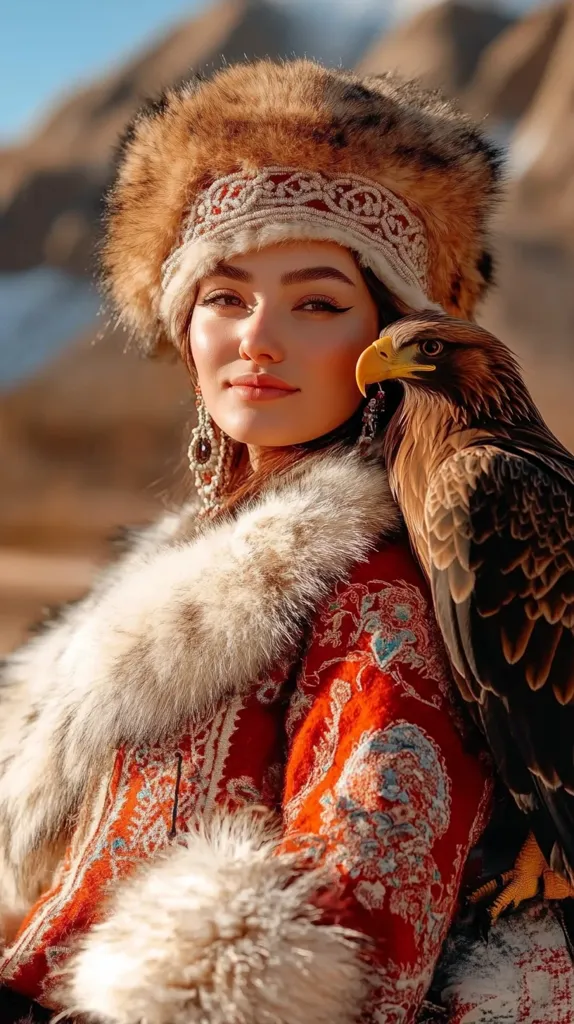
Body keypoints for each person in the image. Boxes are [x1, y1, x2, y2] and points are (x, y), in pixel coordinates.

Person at [0, 58, 571, 1024]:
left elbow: (351, 946)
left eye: (316, 303)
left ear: (386, 336)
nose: (258, 338)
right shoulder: (187, 558)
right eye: (225, 296)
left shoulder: (382, 582)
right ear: (184, 328)